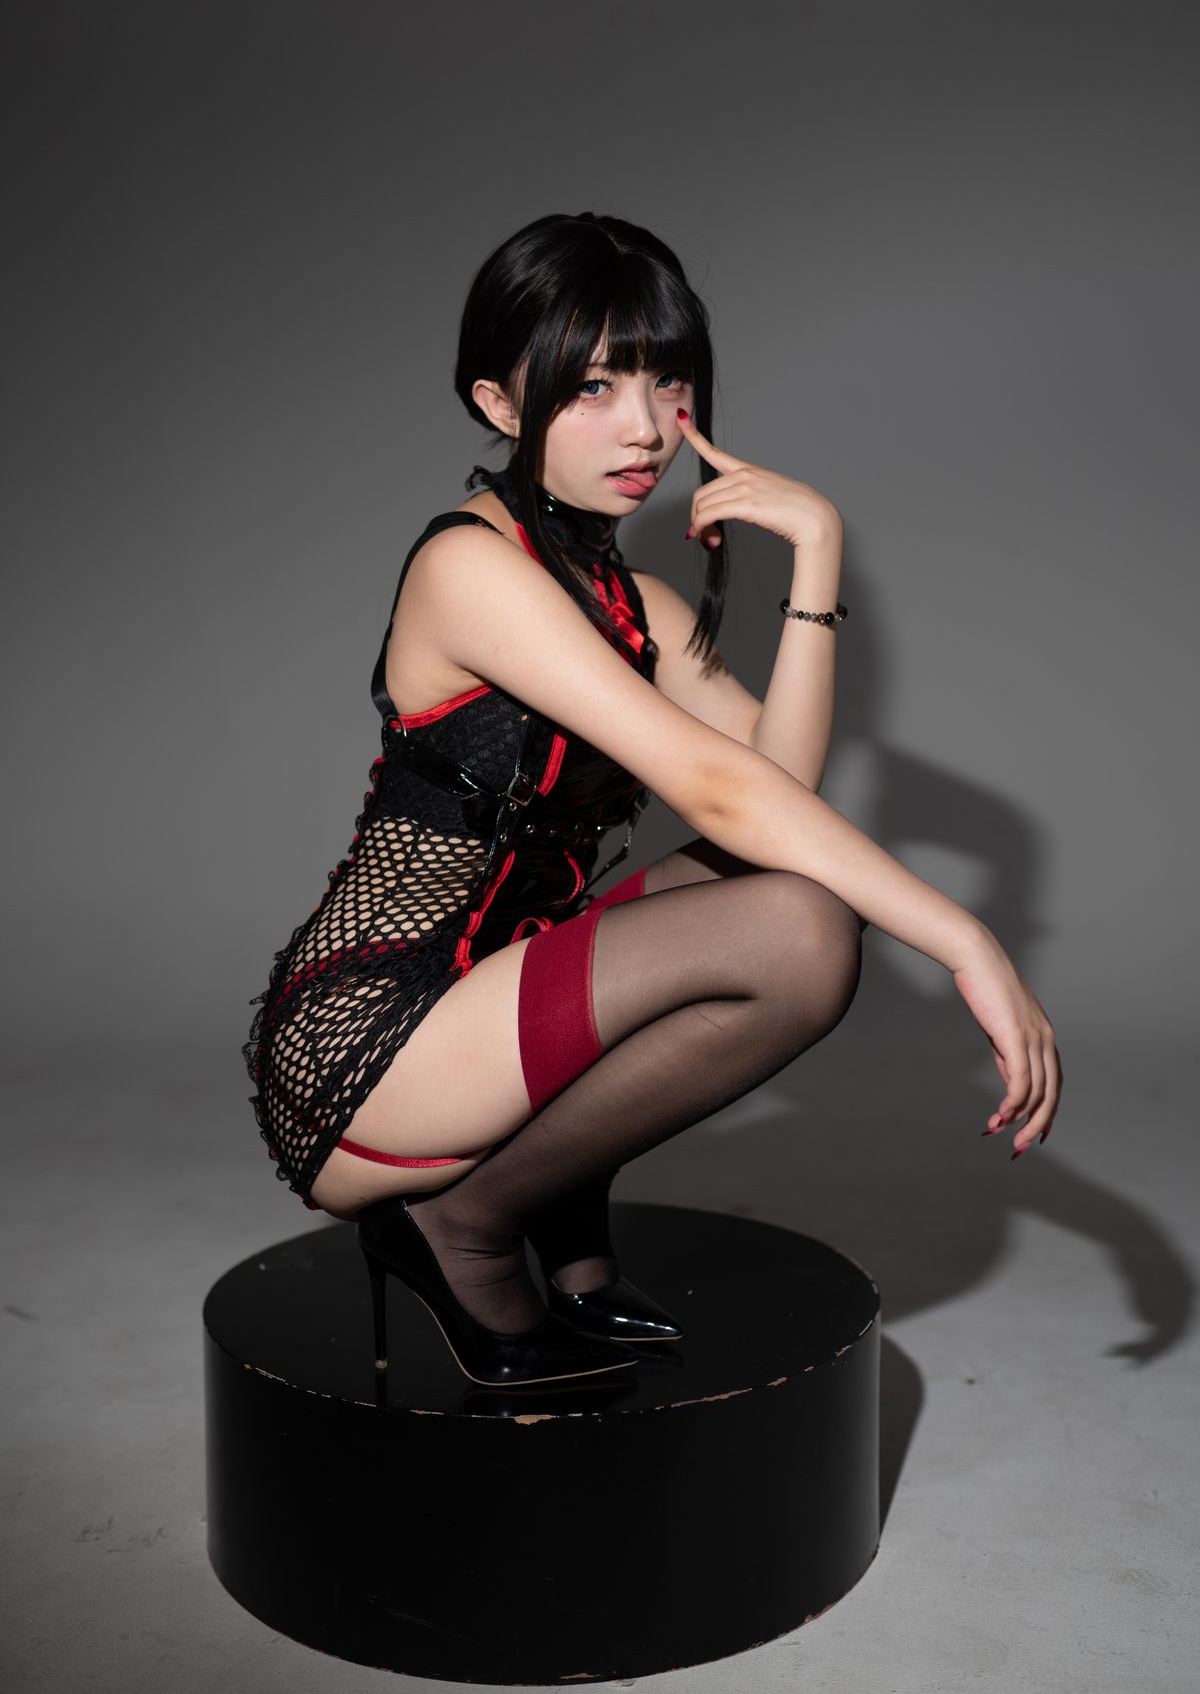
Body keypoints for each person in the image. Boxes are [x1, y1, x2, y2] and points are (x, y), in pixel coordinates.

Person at [242, 210, 1063, 1389]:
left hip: (490, 989)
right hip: (378, 1040)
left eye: (667, 380)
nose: (645, 426)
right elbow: (721, 787)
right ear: (499, 402)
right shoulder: (471, 567)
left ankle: (555, 1195)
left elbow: (777, 794)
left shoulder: (638, 605)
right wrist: (964, 936)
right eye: (592, 386)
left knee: (780, 879)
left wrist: (817, 555)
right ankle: (465, 1221)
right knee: (800, 930)